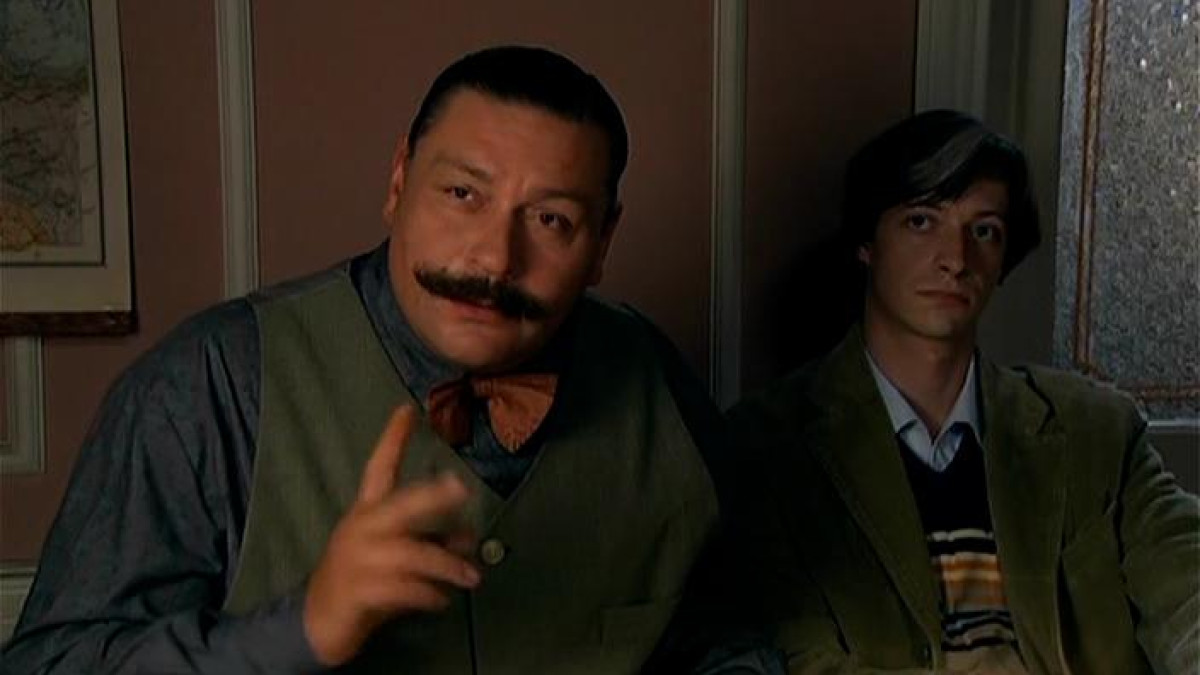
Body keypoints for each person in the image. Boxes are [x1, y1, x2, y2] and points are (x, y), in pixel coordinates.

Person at [4, 45, 773, 674]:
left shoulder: (658, 384)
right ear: (399, 180)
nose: (494, 259)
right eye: (463, 194)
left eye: (550, 219)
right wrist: (303, 629)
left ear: (602, 242)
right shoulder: (209, 384)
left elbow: (730, 639)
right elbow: (52, 664)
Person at [729, 110, 1199, 674]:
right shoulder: (768, 447)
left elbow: (1187, 585)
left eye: (984, 231)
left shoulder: (1093, 432)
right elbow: (798, 658)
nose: (955, 259)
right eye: (921, 221)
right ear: (867, 243)